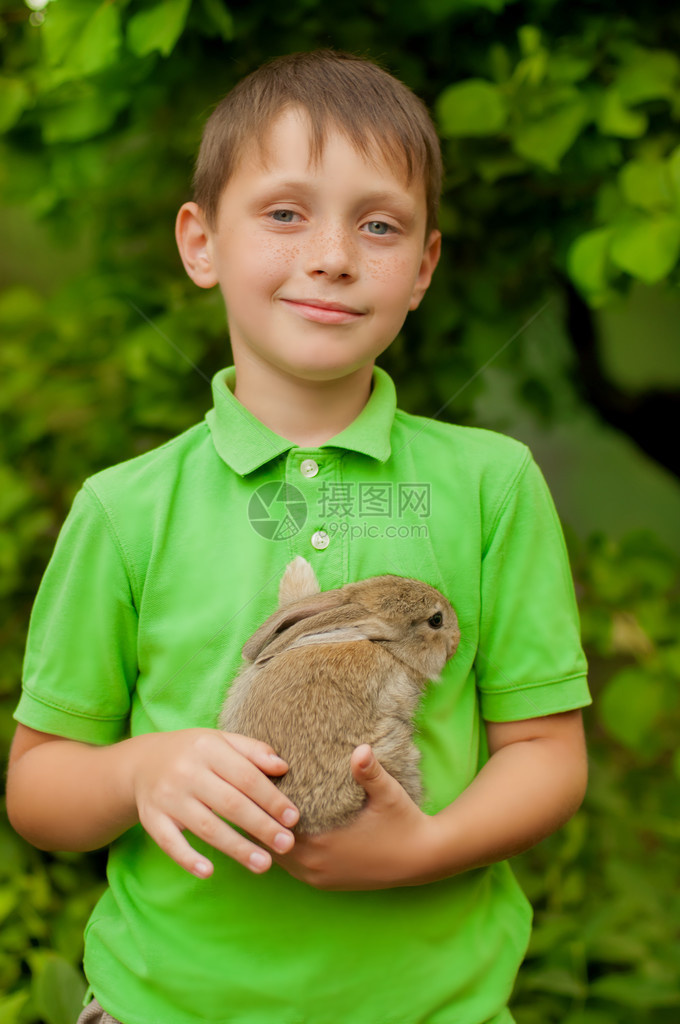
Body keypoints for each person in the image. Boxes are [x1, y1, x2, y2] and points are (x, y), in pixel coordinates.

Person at [6, 50, 591, 1024]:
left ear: (422, 268)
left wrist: (419, 850)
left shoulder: (492, 485)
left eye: (378, 224)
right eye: (284, 213)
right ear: (201, 242)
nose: (332, 255)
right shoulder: (124, 507)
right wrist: (140, 768)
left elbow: (543, 751)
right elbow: (39, 787)